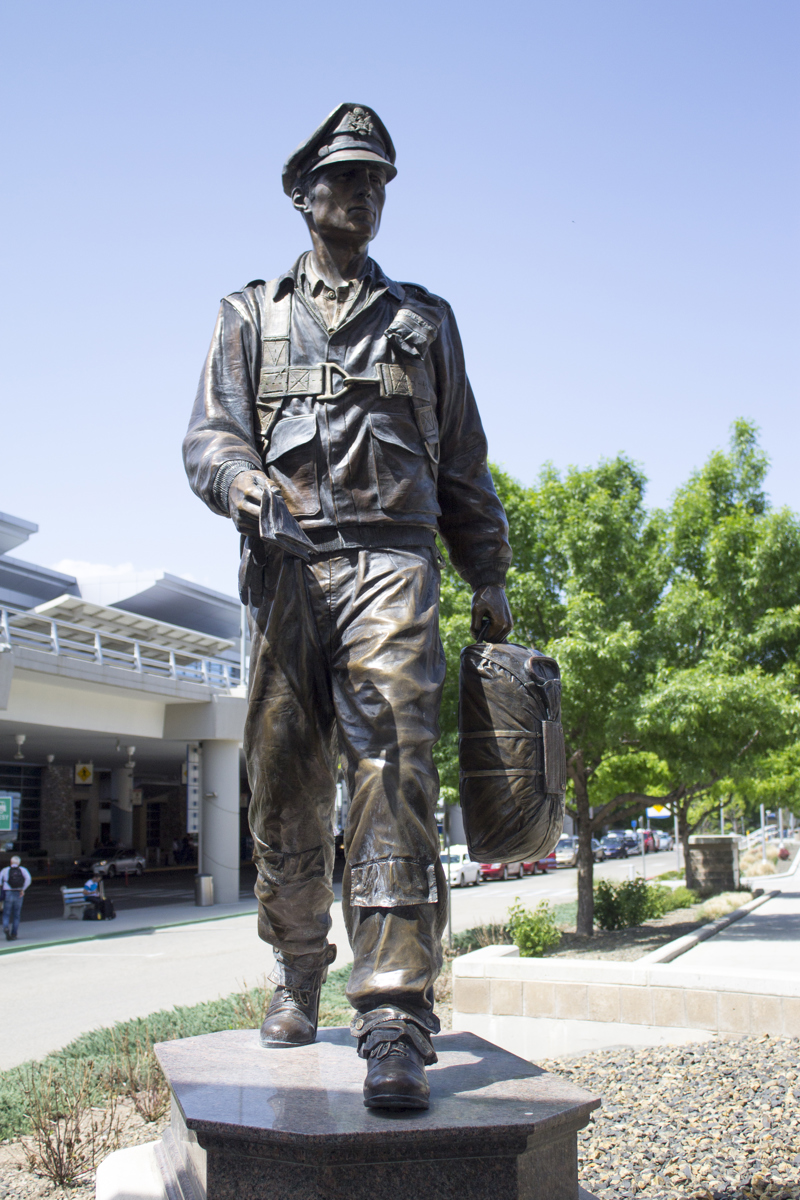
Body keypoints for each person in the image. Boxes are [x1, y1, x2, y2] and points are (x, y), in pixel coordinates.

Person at [184, 103, 513, 1110]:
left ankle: (395, 1009)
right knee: (283, 783)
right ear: (303, 193)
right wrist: (240, 486)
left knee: (393, 768)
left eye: (377, 180)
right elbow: (208, 437)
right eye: (344, 179)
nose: (362, 193)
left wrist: (486, 568)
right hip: (284, 570)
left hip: (394, 565)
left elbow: (461, 457)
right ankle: (295, 968)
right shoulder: (249, 314)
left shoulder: (425, 320)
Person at [1, 855, 31, 941]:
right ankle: (14, 933)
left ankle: (6, 927)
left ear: (10, 862)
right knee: (16, 914)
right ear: (19, 863)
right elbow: (28, 879)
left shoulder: (5, 870)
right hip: (19, 893)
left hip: (8, 892)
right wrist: (23, 889)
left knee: (6, 913)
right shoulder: (23, 870)